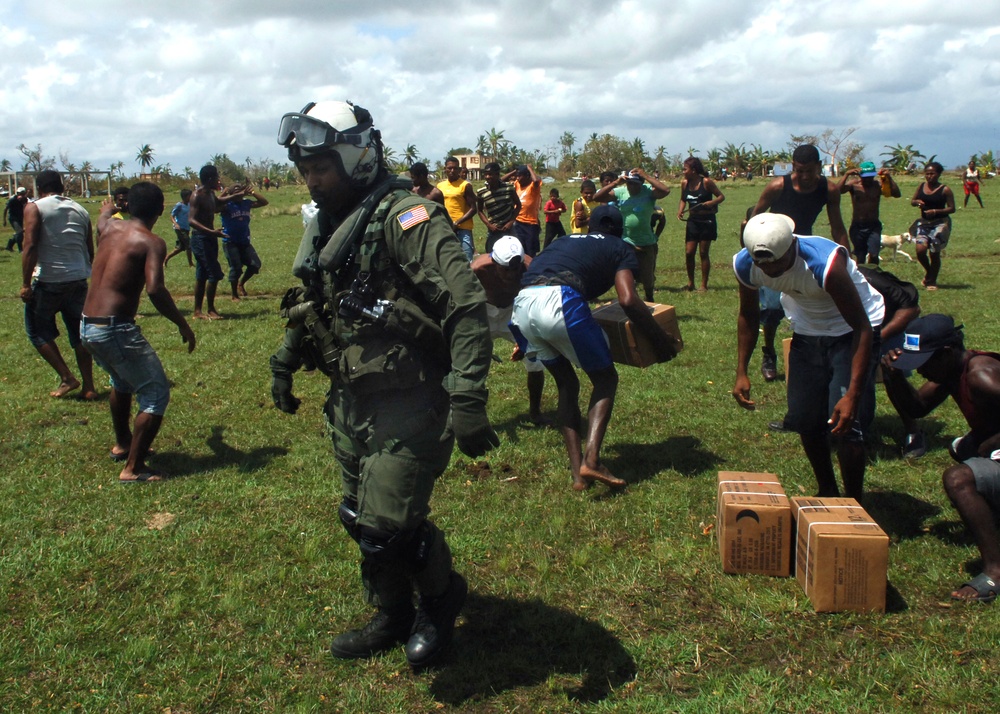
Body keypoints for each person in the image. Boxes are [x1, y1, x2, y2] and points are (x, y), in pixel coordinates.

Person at [272, 100, 497, 666]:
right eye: (305, 170)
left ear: (356, 157)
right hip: (351, 397)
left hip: (412, 396)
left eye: (321, 167)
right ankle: (392, 612)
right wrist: (285, 358)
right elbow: (313, 303)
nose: (312, 180)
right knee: (357, 516)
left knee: (386, 525)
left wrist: (467, 393)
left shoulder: (405, 219)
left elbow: (466, 305)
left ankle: (442, 600)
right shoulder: (328, 224)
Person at [510, 204, 679, 491]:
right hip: (559, 300)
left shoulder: (563, 240)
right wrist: (661, 341)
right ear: (619, 229)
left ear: (591, 226)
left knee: (566, 384)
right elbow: (627, 300)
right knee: (605, 378)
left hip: (522, 305)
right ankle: (592, 459)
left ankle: (579, 476)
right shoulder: (620, 247)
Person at [733, 213, 885, 501]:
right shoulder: (746, 264)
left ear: (791, 245)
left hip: (850, 332)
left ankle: (854, 503)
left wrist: (852, 394)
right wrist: (741, 370)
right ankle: (826, 489)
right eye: (762, 264)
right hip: (806, 332)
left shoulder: (825, 264)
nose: (770, 270)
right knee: (804, 418)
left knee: (846, 426)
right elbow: (749, 315)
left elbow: (862, 328)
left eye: (776, 262)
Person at [880, 315, 1000, 602]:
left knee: (958, 479)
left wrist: (991, 444)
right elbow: (917, 407)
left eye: (923, 361)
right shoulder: (951, 371)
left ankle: (996, 572)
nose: (919, 370)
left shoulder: (981, 376)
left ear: (946, 353)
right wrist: (893, 377)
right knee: (961, 449)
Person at [82, 183, 196, 483]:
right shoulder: (151, 242)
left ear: (127, 206)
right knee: (156, 392)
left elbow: (102, 216)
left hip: (88, 325)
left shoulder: (108, 228)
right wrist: (182, 323)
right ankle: (133, 468)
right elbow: (155, 289)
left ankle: (122, 444)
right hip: (114, 328)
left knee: (121, 382)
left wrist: (109, 209)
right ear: (161, 209)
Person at [750, 144, 849, 383]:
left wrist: (847, 259)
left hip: (804, 251)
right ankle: (769, 352)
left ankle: (816, 356)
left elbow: (837, 226)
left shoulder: (829, 189)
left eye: (810, 171)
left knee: (816, 303)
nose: (805, 177)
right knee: (773, 309)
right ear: (793, 167)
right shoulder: (777, 187)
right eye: (799, 170)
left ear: (819, 167)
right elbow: (755, 219)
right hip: (773, 251)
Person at [20, 170, 98, 400]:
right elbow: (89, 250)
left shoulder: (35, 207)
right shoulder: (80, 209)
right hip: (78, 280)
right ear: (62, 187)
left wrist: (26, 283)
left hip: (49, 281)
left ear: (39, 188)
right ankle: (89, 386)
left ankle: (67, 378)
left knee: (36, 331)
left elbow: (31, 245)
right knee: (79, 335)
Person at [470, 236, 549, 425]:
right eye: (506, 270)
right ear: (494, 261)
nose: (512, 275)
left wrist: (523, 336)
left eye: (515, 269)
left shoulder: (532, 269)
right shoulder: (477, 269)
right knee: (469, 362)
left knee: (535, 360)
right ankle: (470, 415)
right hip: (484, 312)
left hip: (514, 311)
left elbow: (535, 305)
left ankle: (535, 412)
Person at [593, 168, 671, 302]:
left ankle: (649, 297)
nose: (632, 187)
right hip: (626, 242)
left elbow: (666, 191)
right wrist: (616, 182)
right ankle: (631, 302)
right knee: (626, 274)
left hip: (646, 242)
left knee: (647, 278)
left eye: (635, 184)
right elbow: (597, 197)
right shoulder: (620, 192)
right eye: (629, 183)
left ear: (641, 183)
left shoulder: (648, 192)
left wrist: (646, 176)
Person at [189, 165, 241, 319]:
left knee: (202, 274)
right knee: (214, 273)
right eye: (217, 176)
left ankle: (197, 311)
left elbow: (218, 201)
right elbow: (191, 220)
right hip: (201, 238)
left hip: (210, 237)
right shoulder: (197, 195)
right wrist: (211, 232)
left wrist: (236, 195)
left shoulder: (210, 194)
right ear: (210, 178)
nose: (218, 179)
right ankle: (210, 309)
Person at [677, 156, 725, 292]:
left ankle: (703, 285)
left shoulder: (706, 182)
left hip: (707, 221)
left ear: (693, 170)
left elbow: (721, 197)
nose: (683, 171)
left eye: (685, 169)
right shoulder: (684, 183)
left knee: (703, 252)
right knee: (689, 252)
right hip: (693, 221)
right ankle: (690, 283)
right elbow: (682, 199)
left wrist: (711, 203)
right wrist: (680, 211)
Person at [839, 161, 901, 265]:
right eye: (865, 177)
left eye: (870, 177)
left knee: (874, 255)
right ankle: (861, 276)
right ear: (860, 175)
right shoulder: (854, 185)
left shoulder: (878, 185)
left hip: (873, 226)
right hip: (857, 226)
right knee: (860, 255)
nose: (868, 180)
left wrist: (889, 178)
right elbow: (838, 191)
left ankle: (874, 275)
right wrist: (846, 174)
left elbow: (896, 194)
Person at [910, 161, 955, 291]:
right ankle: (930, 273)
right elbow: (913, 201)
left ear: (939, 174)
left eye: (932, 174)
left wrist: (936, 211)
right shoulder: (921, 186)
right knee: (920, 250)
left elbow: (952, 209)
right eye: (927, 173)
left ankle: (932, 281)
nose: (929, 176)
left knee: (934, 253)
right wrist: (916, 202)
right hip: (924, 223)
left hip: (940, 224)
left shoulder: (945, 189)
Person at [220, 183, 268, 300]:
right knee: (236, 268)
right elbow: (213, 205)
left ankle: (240, 284)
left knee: (255, 265)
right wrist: (225, 193)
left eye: (240, 190)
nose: (239, 193)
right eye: (235, 191)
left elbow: (264, 202)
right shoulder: (226, 205)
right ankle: (234, 295)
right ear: (231, 194)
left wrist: (252, 192)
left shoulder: (246, 203)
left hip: (244, 241)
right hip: (230, 241)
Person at [436, 156, 477, 260]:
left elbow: (473, 209)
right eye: (449, 168)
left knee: (467, 259)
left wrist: (457, 222)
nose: (452, 171)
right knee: (448, 258)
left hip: (463, 228)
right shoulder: (440, 186)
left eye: (455, 168)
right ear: (445, 169)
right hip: (446, 227)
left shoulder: (465, 185)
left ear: (459, 170)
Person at [475, 161, 520, 254]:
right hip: (493, 230)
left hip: (509, 229)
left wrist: (510, 222)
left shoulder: (509, 188)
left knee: (513, 253)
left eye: (490, 174)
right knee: (491, 256)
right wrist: (489, 225)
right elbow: (479, 210)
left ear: (497, 174)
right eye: (486, 174)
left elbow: (518, 205)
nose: (487, 177)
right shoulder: (481, 192)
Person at [505, 164, 543, 257]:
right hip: (518, 222)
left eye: (520, 176)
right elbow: (500, 180)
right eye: (517, 176)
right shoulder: (517, 184)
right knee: (520, 249)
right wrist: (515, 171)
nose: (517, 178)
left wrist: (529, 168)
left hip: (531, 224)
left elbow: (536, 181)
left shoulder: (533, 187)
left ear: (527, 176)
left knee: (530, 251)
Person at [164, 188, 193, 267]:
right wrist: (175, 223)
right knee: (189, 245)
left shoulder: (190, 204)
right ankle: (190, 264)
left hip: (186, 228)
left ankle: (166, 258)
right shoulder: (179, 205)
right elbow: (172, 216)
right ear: (185, 196)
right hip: (179, 228)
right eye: (190, 196)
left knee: (181, 248)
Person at [4, 186, 28, 252]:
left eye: (23, 194)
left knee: (19, 233)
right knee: (20, 233)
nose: (22, 195)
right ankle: (21, 249)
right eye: (20, 194)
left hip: (20, 217)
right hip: (13, 218)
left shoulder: (25, 199)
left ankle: (9, 246)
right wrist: (4, 220)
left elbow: (25, 207)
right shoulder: (12, 200)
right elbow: (5, 209)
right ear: (17, 193)